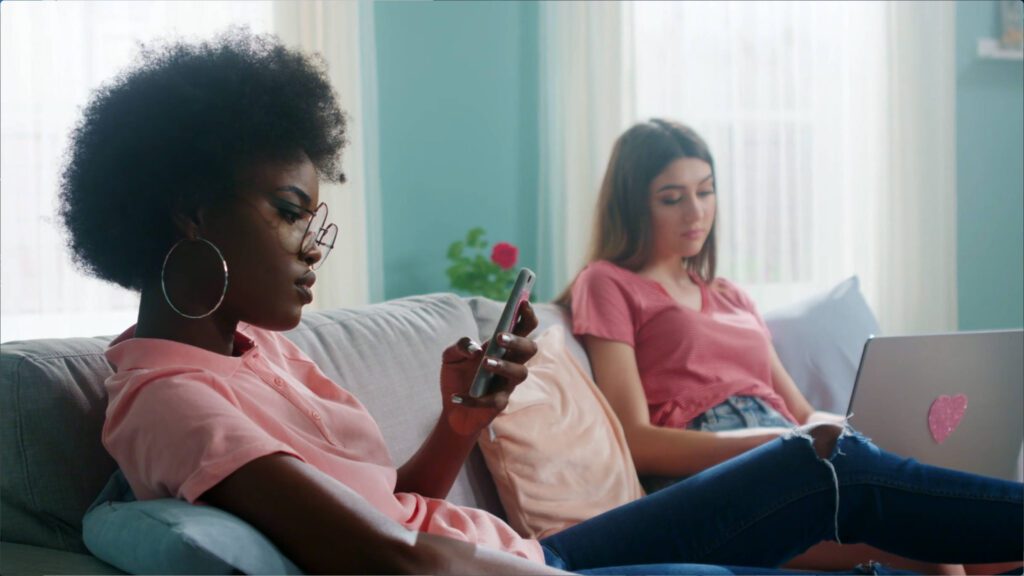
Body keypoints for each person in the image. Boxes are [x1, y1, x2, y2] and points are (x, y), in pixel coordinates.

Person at [60, 31, 1021, 575]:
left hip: (528, 560)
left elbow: (394, 512)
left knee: (817, 458)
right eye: (288, 212)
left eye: (318, 216)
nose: (314, 247)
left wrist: (455, 426)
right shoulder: (170, 399)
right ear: (188, 210)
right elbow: (386, 567)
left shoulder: (249, 352)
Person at [559, 119, 1024, 574]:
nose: (696, 212)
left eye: (705, 190)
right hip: (714, 475)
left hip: (794, 457)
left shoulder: (729, 294)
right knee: (941, 548)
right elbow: (637, 441)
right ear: (632, 205)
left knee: (978, 549)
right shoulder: (608, 283)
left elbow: (802, 412)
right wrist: (776, 445)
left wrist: (857, 431)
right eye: (671, 198)